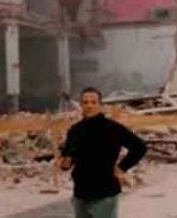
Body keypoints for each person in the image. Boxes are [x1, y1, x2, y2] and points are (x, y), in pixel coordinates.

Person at [59, 87, 147, 218]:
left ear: (100, 105)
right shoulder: (75, 130)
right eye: (85, 102)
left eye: (93, 102)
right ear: (81, 105)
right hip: (80, 195)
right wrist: (65, 164)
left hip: (105, 194)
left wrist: (121, 167)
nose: (89, 106)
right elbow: (67, 159)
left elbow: (139, 147)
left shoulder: (112, 128)